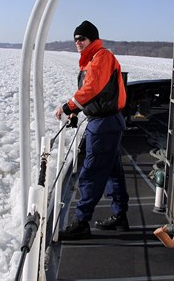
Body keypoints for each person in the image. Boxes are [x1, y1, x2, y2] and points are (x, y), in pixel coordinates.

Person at [54, 20, 130, 240]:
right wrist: (77, 112)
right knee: (113, 172)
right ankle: (120, 218)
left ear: (92, 39)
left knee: (91, 173)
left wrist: (69, 106)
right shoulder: (91, 60)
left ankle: (81, 223)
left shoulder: (101, 57)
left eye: (82, 38)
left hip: (104, 125)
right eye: (76, 39)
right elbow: (95, 93)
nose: (78, 42)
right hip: (107, 123)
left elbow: (92, 87)